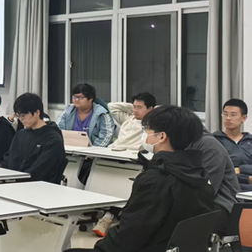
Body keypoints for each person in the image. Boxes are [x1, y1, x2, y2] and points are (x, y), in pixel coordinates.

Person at [65, 105, 215, 252]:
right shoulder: (201, 175)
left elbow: (129, 235)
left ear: (161, 136)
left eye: (147, 130)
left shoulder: (157, 180)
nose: (145, 135)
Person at [93, 92, 156, 237]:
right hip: (113, 154)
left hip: (132, 159)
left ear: (151, 109)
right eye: (134, 107)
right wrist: (133, 108)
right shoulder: (128, 118)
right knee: (98, 177)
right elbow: (112, 106)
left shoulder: (153, 124)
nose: (135, 110)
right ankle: (102, 211)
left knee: (122, 184)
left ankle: (108, 217)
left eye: (139, 107)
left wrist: (150, 113)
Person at [0, 93, 67, 184]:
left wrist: (14, 180)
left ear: (37, 113)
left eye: (23, 115)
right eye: (18, 116)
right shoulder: (20, 135)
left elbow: (37, 172)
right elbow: (7, 161)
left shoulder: (53, 139)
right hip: (14, 183)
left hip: (38, 186)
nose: (20, 119)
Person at [58, 83, 115, 147]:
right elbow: (58, 131)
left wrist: (91, 151)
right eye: (75, 97)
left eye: (80, 97)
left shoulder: (102, 114)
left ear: (90, 99)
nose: (76, 100)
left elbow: (106, 137)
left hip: (95, 151)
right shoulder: (68, 112)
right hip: (69, 148)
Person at [214, 98, 252, 191]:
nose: (228, 118)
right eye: (225, 114)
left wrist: (240, 169)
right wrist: (247, 178)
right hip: (227, 189)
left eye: (233, 115)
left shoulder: (250, 141)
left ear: (244, 118)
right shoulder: (215, 140)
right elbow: (219, 170)